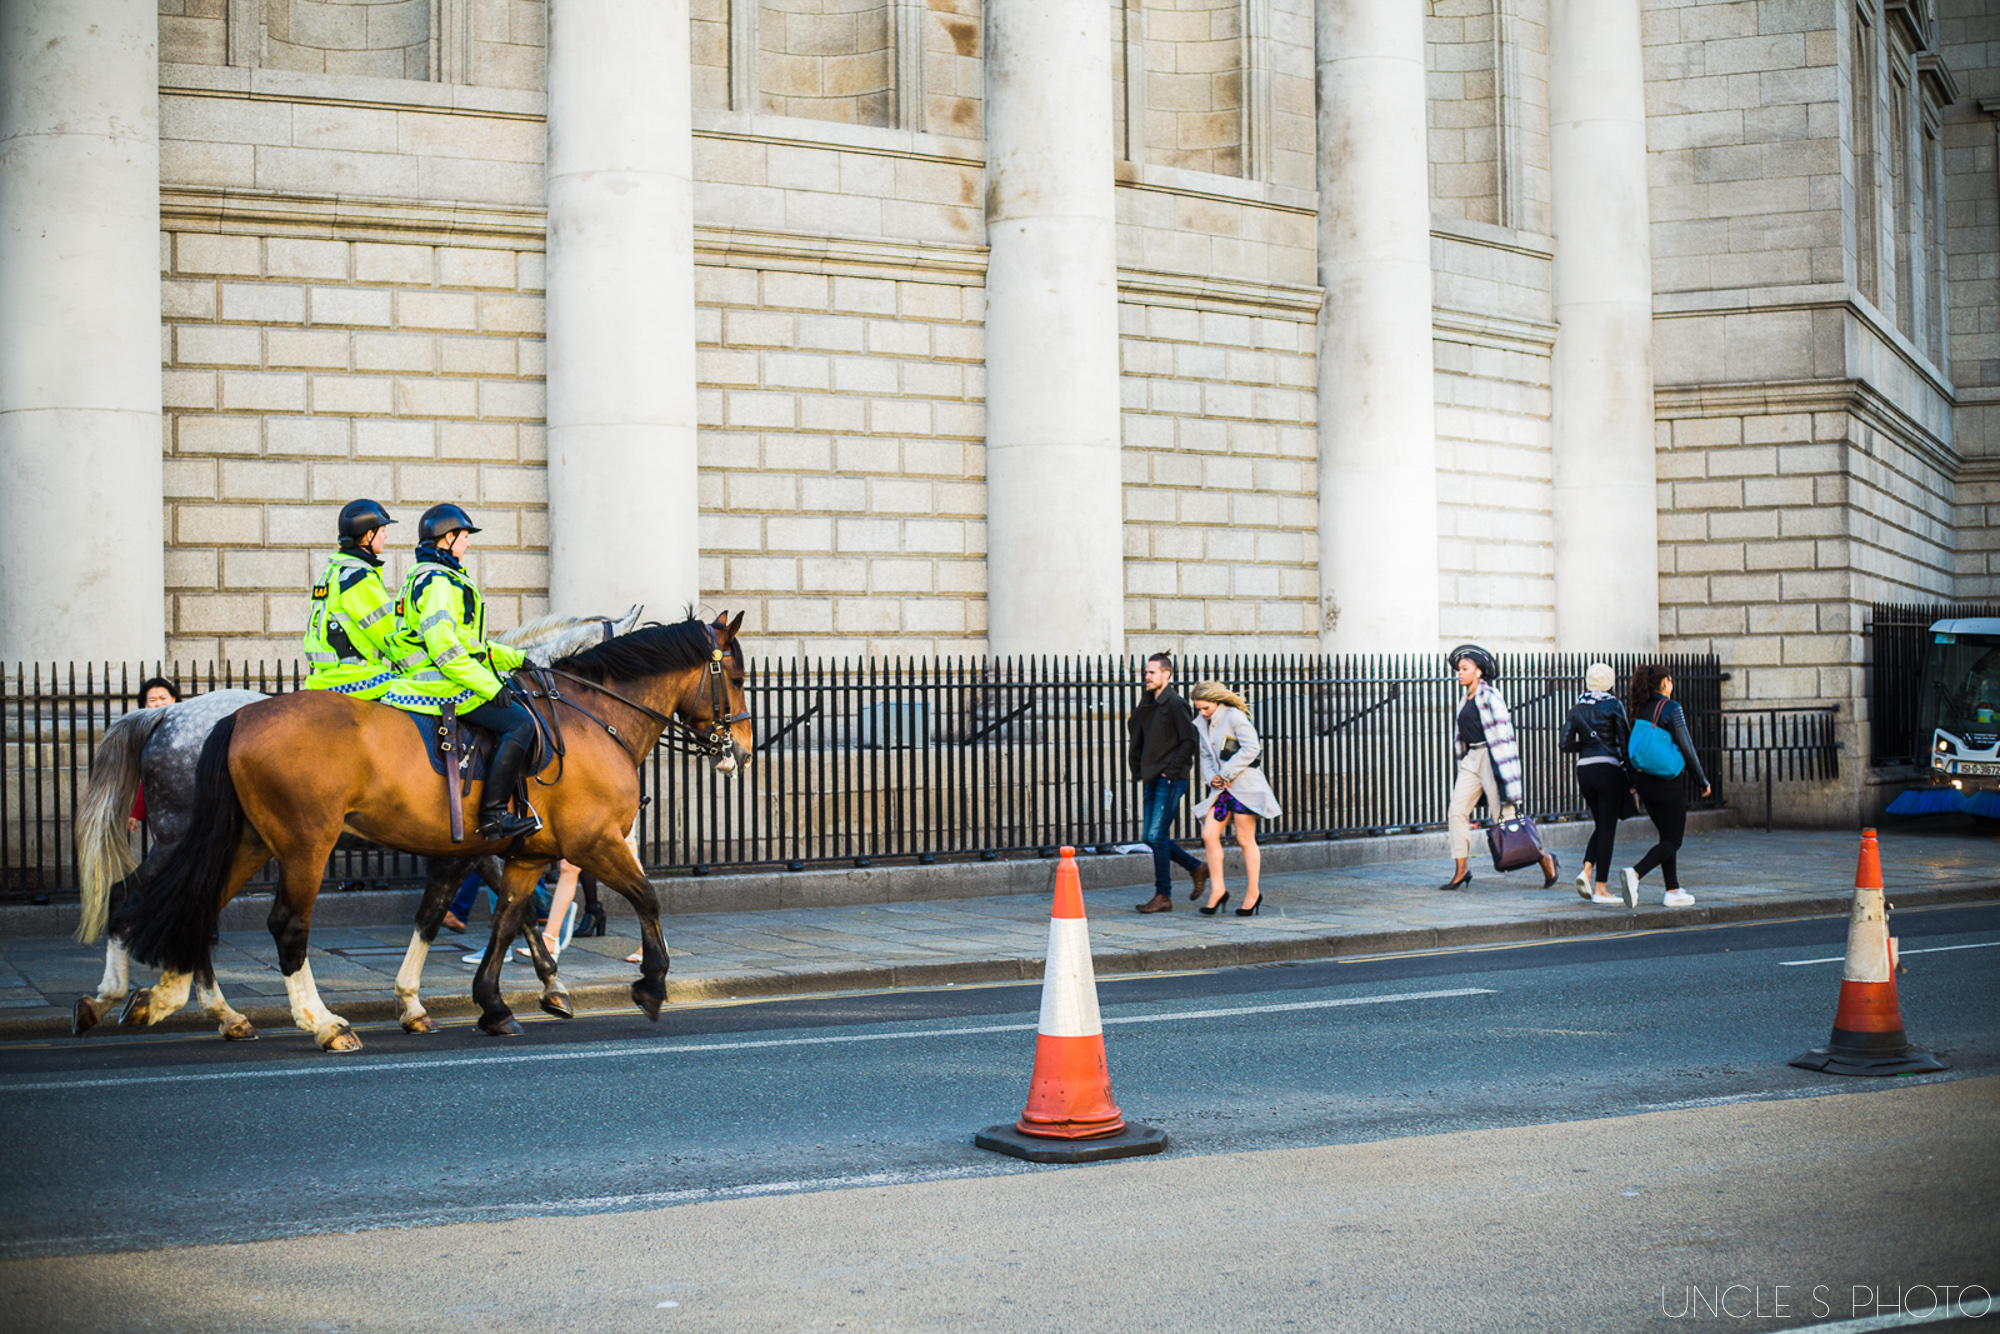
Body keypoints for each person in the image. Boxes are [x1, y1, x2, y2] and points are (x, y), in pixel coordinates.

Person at [383, 503, 539, 839]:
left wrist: (514, 657)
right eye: (464, 537)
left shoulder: (429, 577)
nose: (467, 544)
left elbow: (466, 640)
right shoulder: (440, 583)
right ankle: (494, 815)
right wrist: (491, 687)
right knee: (520, 723)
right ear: (446, 540)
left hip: (433, 678)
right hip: (443, 685)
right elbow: (446, 651)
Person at [1441, 645, 1558, 892]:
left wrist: (1507, 778)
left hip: (1492, 759)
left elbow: (1505, 738)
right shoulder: (1465, 699)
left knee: (1505, 820)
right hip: (1471, 759)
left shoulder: (1491, 696)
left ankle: (1544, 858)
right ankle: (1461, 869)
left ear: (1479, 672)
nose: (1459, 673)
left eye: (1465, 669)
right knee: (1456, 811)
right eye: (1458, 669)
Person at [1618, 664, 1711, 909]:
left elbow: (1629, 751)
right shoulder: (1671, 708)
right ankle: (1635, 873)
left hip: (1645, 782)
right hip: (1667, 782)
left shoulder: (1640, 709)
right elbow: (1686, 747)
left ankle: (1673, 890)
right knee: (1674, 840)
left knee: (1666, 837)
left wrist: (1634, 784)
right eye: (1670, 679)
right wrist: (1701, 780)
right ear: (1665, 682)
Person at [1188, 681, 1281, 916]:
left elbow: (1252, 748)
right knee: (1209, 835)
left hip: (1243, 787)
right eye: (1199, 708)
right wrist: (1213, 778)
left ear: (1217, 702)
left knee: (1244, 839)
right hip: (1222, 790)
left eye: (1206, 708)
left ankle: (1253, 893)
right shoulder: (1203, 723)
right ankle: (1218, 890)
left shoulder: (1234, 716)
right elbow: (1205, 756)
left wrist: (1226, 773)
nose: (1202, 713)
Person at [1128, 652, 1209, 913]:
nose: (1146, 676)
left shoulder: (1175, 703)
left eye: (1152, 672)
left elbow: (1189, 740)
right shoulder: (1150, 701)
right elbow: (1136, 729)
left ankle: (1164, 895)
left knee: (1155, 835)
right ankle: (1196, 867)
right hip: (1153, 775)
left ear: (1166, 674)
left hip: (1169, 778)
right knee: (1150, 836)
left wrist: (1171, 772)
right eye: (1146, 672)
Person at [301, 499, 405, 701]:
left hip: (325, 678)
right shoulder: (358, 577)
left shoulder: (333, 573)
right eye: (382, 530)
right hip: (358, 679)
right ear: (369, 535)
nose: (385, 535)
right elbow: (389, 635)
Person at [1560, 663, 1630, 906]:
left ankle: (1586, 870)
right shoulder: (1614, 704)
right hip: (1608, 770)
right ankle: (1601, 888)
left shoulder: (1577, 708)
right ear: (1610, 682)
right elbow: (1624, 741)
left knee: (1602, 824)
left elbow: (1565, 745)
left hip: (1585, 771)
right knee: (1607, 828)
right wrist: (1631, 778)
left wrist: (1587, 747)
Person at [127, 677, 182, 832]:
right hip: (166, 810)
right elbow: (148, 775)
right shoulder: (145, 734)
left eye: (163, 698)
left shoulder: (190, 728)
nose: (158, 704)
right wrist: (136, 812)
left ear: (174, 699)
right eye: (152, 700)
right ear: (145, 705)